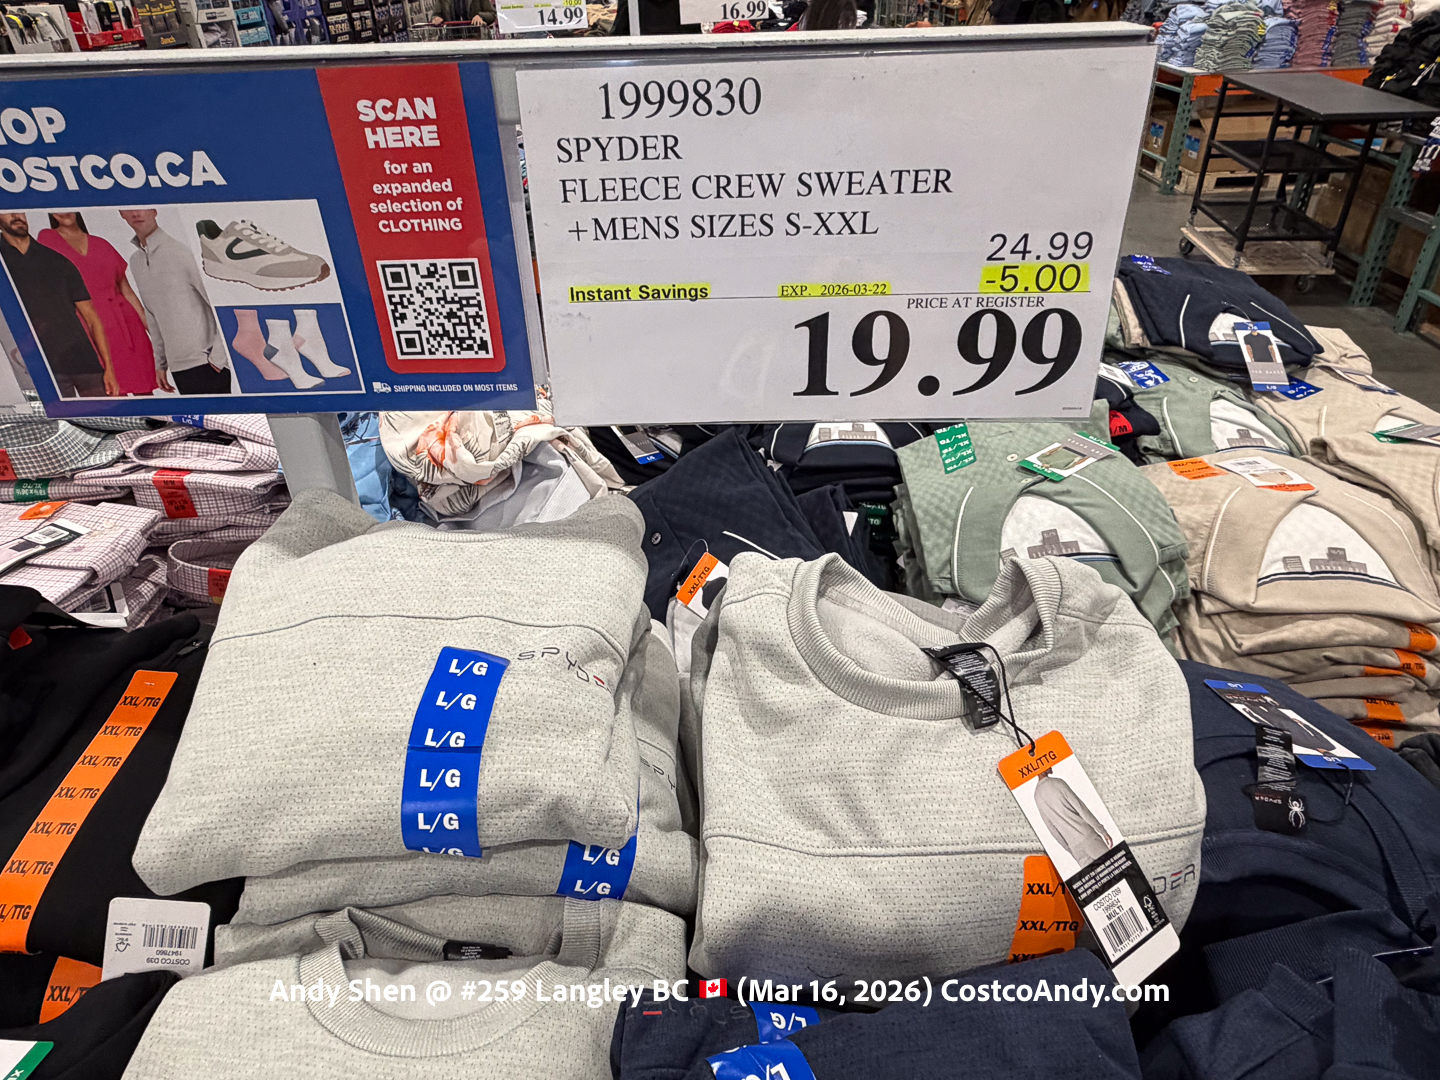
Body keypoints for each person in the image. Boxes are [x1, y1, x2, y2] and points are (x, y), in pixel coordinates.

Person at [38, 212, 165, 396]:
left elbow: (126, 291)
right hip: (89, 328)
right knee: (111, 395)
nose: (64, 213)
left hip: (126, 327)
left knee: (144, 393)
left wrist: (157, 335)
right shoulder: (47, 239)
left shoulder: (101, 244)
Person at [0, 212, 118, 398]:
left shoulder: (58, 261)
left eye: (19, 210)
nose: (16, 216)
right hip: (39, 367)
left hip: (85, 363)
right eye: (7, 212)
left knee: (106, 415)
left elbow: (91, 318)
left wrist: (109, 368)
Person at [121, 209, 233, 396]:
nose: (135, 214)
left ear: (154, 211)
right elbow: (152, 315)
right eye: (128, 210)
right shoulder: (136, 261)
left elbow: (219, 305)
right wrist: (161, 364)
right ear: (121, 214)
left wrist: (218, 358)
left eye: (141, 207)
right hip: (178, 367)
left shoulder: (182, 253)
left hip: (207, 363)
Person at [1033, 769, 1112, 869]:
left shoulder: (1037, 796)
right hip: (1089, 838)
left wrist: (1070, 849)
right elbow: (1081, 809)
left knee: (1097, 878)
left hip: (1075, 848)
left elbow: (1051, 828)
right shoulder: (1058, 783)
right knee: (1117, 869)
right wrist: (1102, 831)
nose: (1051, 766)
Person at [429, 0, 494, 26]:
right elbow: (436, 15)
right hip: (452, 40)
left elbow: (492, 14)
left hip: (477, 39)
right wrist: (436, 18)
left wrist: (480, 16)